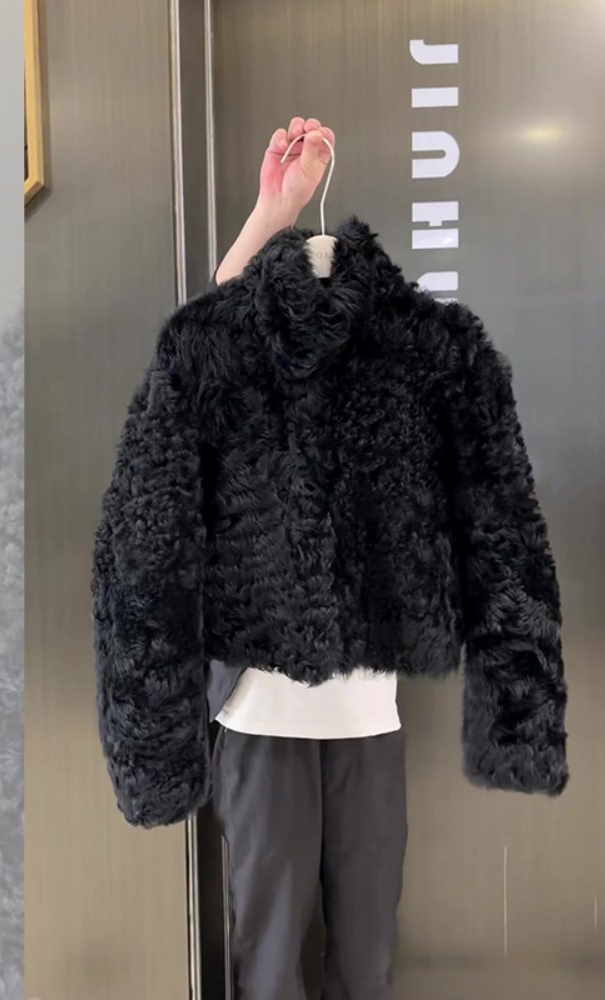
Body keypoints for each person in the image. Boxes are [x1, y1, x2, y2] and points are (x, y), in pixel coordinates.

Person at [208, 117, 408, 1000]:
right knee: (268, 962)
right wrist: (274, 213)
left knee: (367, 961)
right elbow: (214, 326)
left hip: (369, 717)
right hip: (259, 713)